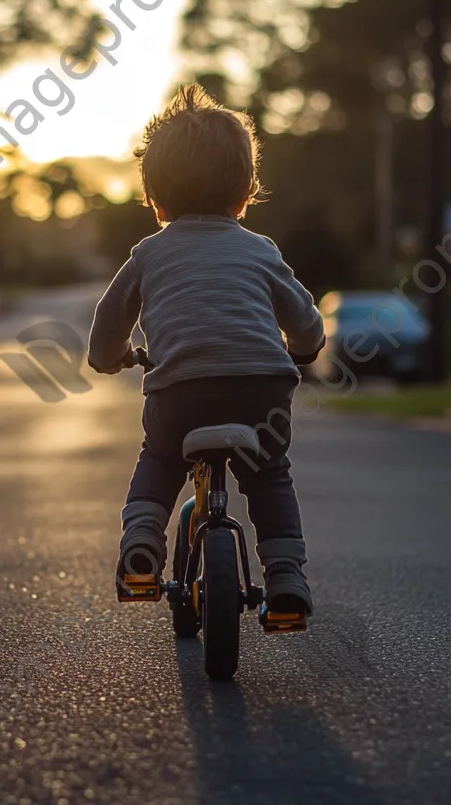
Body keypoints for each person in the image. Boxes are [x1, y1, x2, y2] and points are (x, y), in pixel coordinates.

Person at [87, 84, 325, 617]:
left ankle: (142, 542)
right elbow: (306, 321)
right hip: (261, 391)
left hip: (181, 393)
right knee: (268, 475)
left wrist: (111, 357)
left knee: (161, 456)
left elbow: (106, 329)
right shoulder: (260, 250)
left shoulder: (148, 254)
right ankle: (286, 577)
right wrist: (305, 349)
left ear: (156, 198)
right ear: (245, 193)